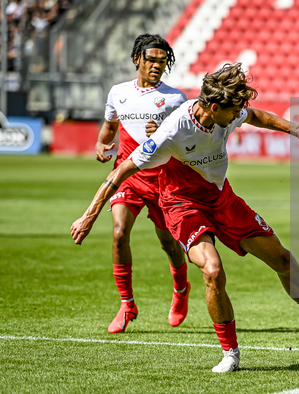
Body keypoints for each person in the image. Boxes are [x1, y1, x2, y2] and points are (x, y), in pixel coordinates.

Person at [72, 63, 299, 373]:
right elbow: (121, 171)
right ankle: (230, 353)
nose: (237, 116)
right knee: (213, 270)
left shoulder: (229, 111)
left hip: (222, 199)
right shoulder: (173, 130)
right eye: (233, 111)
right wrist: (88, 217)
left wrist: (295, 128)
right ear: (213, 107)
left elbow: (255, 115)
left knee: (281, 259)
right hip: (182, 205)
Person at [95, 34, 190, 334]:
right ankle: (127, 304)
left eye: (163, 61)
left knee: (168, 243)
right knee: (119, 231)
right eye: (151, 60)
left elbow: (186, 144)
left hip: (162, 180)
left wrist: (162, 132)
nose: (157, 66)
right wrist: (101, 143)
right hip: (129, 175)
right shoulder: (118, 92)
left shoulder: (175, 99)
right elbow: (110, 126)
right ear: (137, 59)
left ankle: (181, 287)